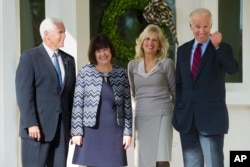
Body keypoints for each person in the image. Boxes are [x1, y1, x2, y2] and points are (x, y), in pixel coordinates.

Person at [172, 8, 238, 167]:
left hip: (211, 121)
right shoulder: (183, 51)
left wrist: (218, 47)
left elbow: (233, 69)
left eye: (206, 27)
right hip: (187, 120)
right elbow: (179, 84)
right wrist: (180, 107)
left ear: (211, 25)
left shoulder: (221, 48)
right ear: (190, 26)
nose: (201, 31)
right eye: (197, 26)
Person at [15, 17, 76, 167]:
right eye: (60, 32)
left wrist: (73, 127)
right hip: (37, 130)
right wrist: (31, 123)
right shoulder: (29, 58)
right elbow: (24, 94)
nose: (65, 36)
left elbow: (70, 97)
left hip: (61, 131)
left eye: (64, 32)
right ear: (46, 34)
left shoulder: (69, 60)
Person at [70, 33, 132, 167]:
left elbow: (127, 105)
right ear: (93, 54)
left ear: (111, 50)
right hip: (90, 132)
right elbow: (77, 103)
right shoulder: (85, 72)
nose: (102, 54)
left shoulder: (121, 73)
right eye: (98, 51)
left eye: (105, 49)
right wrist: (76, 132)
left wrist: (128, 132)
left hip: (115, 132)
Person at [127, 24, 176, 167]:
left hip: (163, 115)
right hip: (142, 116)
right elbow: (134, 92)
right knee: (143, 160)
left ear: (160, 45)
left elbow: (174, 92)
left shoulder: (166, 64)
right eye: (147, 39)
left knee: (161, 159)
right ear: (141, 42)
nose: (150, 43)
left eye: (155, 40)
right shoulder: (132, 66)